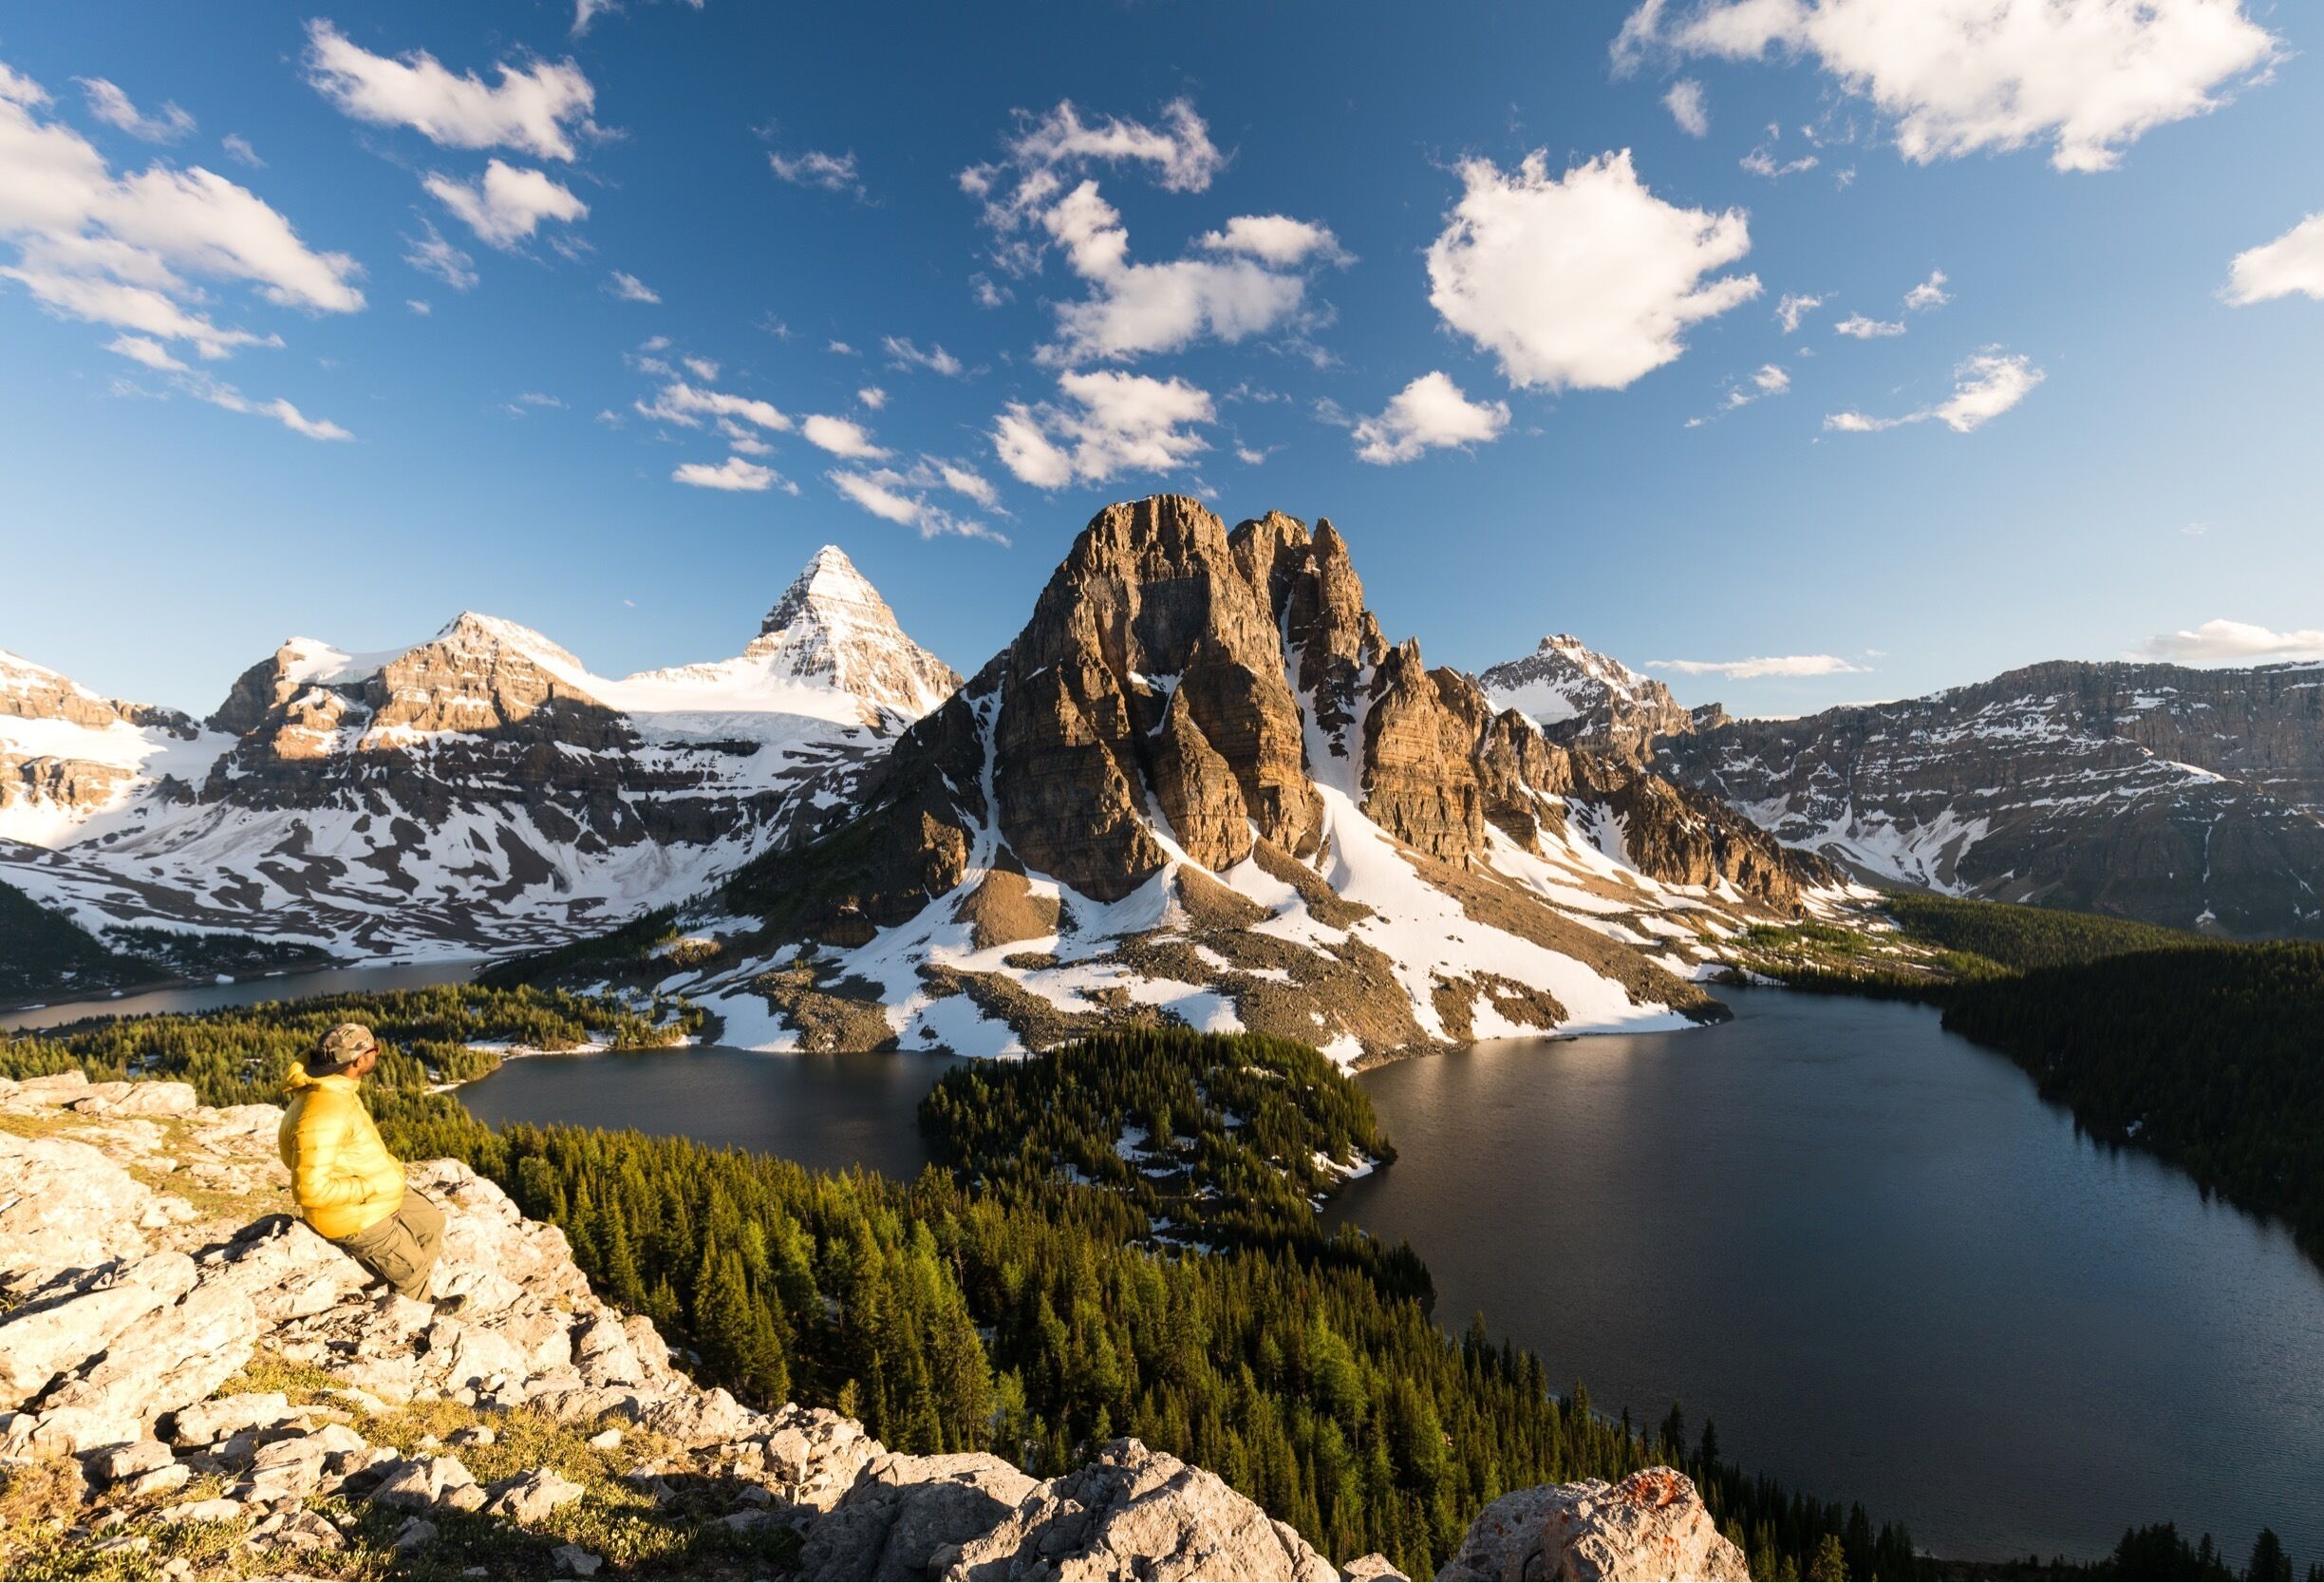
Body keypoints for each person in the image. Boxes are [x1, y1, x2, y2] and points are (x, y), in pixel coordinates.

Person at [278, 1022, 461, 1313]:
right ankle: (418, 1317)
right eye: (375, 1049)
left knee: (431, 1223)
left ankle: (410, 1288)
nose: (378, 1054)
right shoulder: (322, 1112)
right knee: (411, 1268)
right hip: (351, 1214)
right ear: (359, 1060)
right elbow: (309, 1192)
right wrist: (372, 1188)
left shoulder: (338, 1089)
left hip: (375, 1193)